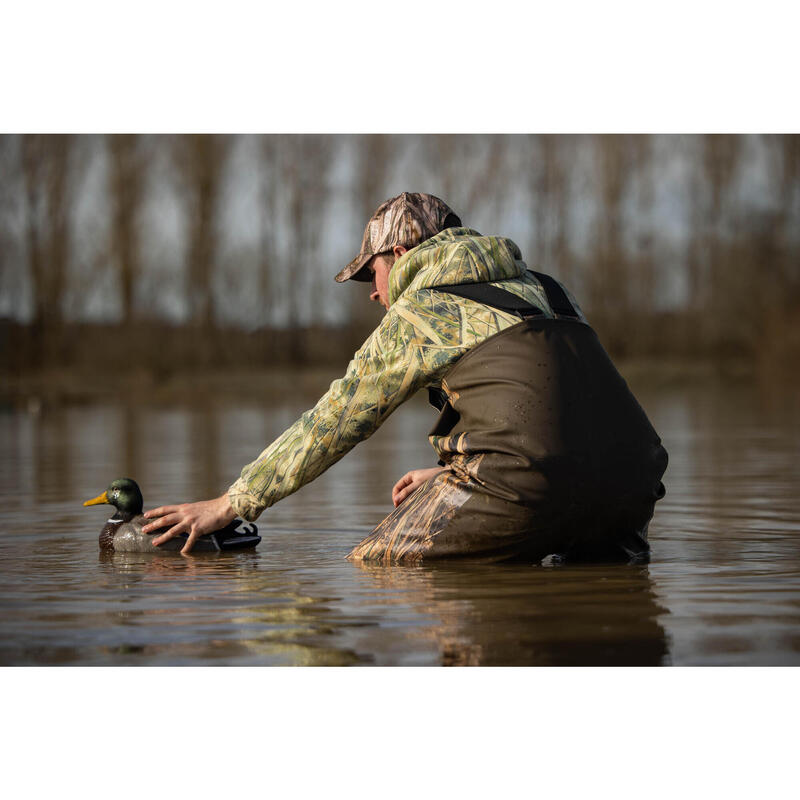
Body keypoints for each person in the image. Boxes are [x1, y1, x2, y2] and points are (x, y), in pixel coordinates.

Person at [143, 192, 668, 562]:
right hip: (632, 489)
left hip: (526, 488)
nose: (373, 292)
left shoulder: (421, 311)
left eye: (370, 272)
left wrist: (230, 503)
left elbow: (334, 421)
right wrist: (452, 473)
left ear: (399, 255)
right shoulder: (548, 288)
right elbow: (566, 412)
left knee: (378, 568)